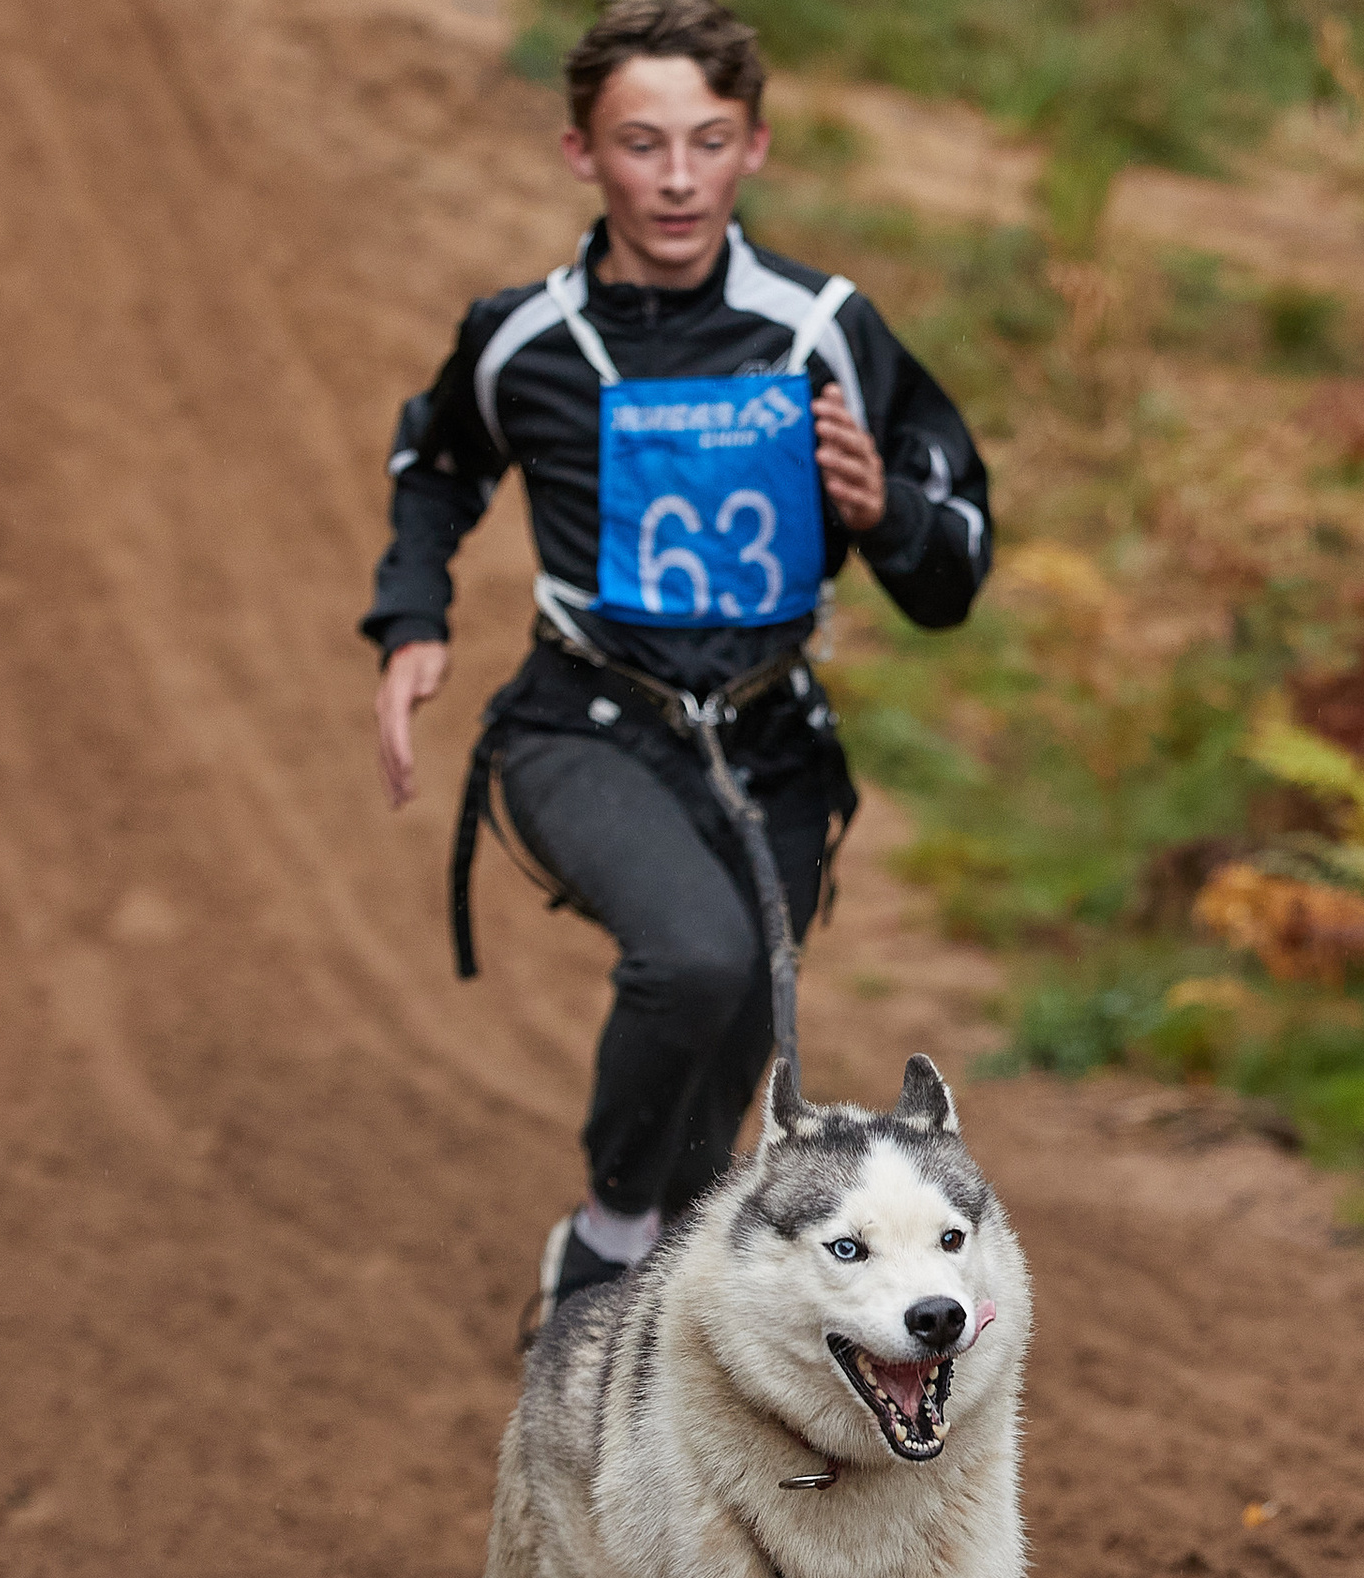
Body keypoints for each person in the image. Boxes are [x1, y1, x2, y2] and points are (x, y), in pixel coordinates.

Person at [363, 0, 992, 1326]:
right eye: (640, 143)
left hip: (776, 748)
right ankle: (595, 1251)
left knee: (719, 1149)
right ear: (580, 153)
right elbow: (435, 468)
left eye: (707, 142)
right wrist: (412, 619)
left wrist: (888, 514)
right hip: (583, 724)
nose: (675, 177)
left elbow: (955, 572)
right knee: (697, 962)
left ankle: (661, 1338)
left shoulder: (825, 328)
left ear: (754, 148)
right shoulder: (523, 339)